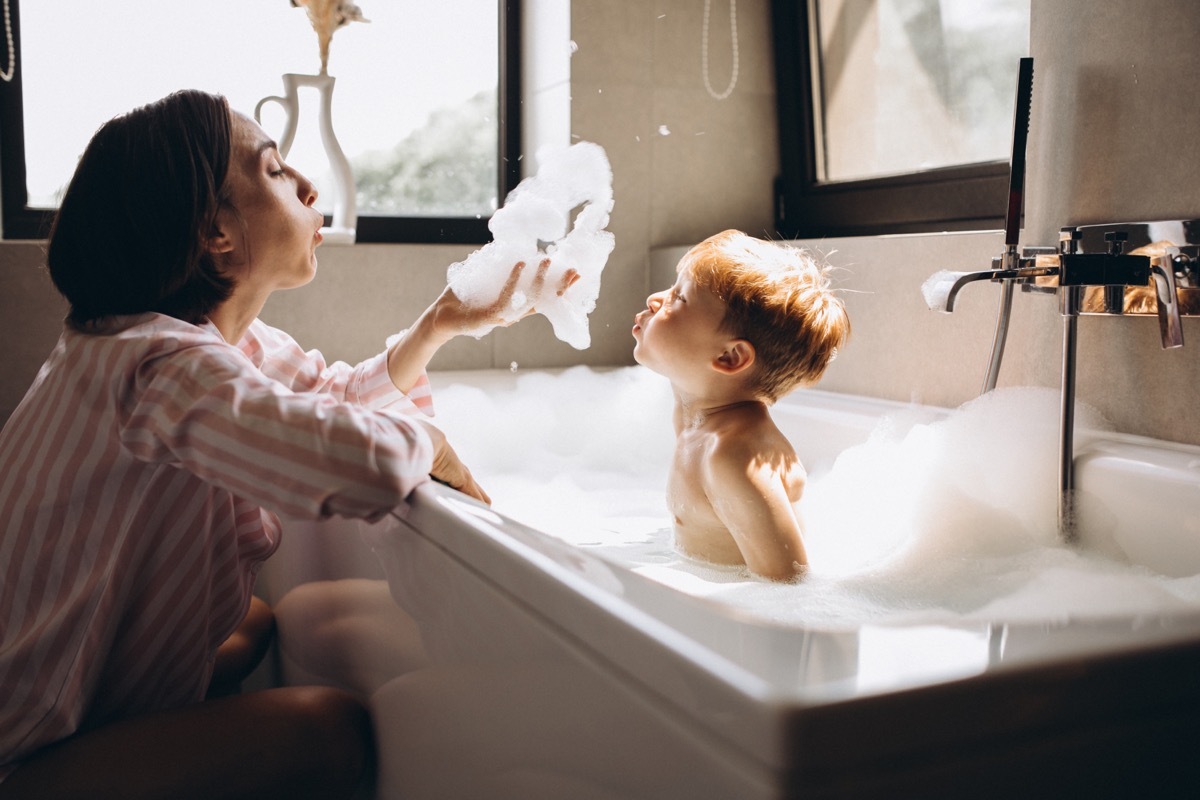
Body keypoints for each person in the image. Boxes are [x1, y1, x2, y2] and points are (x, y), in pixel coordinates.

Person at [0, 89, 574, 799]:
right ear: (216, 232)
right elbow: (351, 461)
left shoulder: (177, 339)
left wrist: (440, 324)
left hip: (34, 683)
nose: (306, 183)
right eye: (274, 171)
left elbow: (328, 399)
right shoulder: (158, 366)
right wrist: (430, 443)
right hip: (22, 748)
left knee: (255, 624)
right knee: (330, 729)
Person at [631, 229, 850, 581]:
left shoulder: (734, 456)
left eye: (678, 299)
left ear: (730, 357)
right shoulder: (695, 417)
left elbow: (788, 582)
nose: (656, 299)